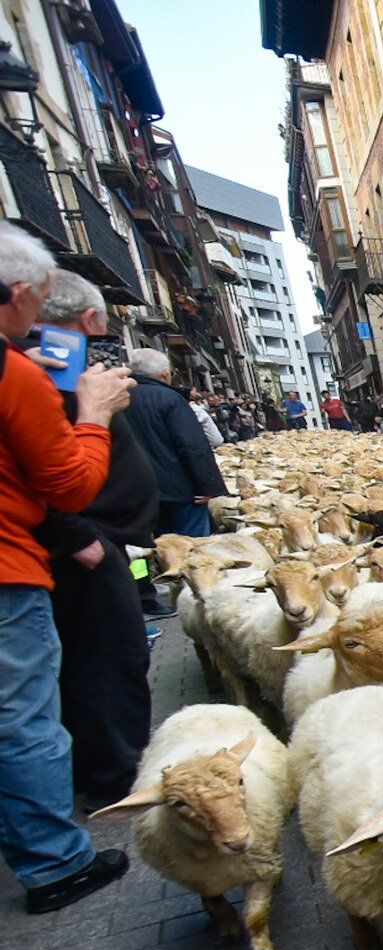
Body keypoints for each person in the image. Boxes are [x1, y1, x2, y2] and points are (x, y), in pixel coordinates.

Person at [0, 220, 135, 913]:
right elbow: (67, 481)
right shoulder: (15, 371)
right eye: (36, 299)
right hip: (13, 566)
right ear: (20, 293)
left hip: (31, 556)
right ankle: (54, 860)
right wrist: (94, 412)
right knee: (25, 716)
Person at [29, 271, 158, 810]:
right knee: (106, 660)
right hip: (87, 543)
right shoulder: (50, 372)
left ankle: (103, 765)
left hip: (106, 539)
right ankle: (115, 776)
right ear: (93, 320)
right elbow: (36, 461)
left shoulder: (48, 369)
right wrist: (75, 532)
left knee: (105, 656)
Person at [124, 349, 225, 540]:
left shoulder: (117, 397)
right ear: (165, 374)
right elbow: (192, 445)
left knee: (153, 547)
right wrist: (207, 487)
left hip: (136, 493)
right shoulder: (170, 399)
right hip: (179, 492)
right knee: (194, 547)